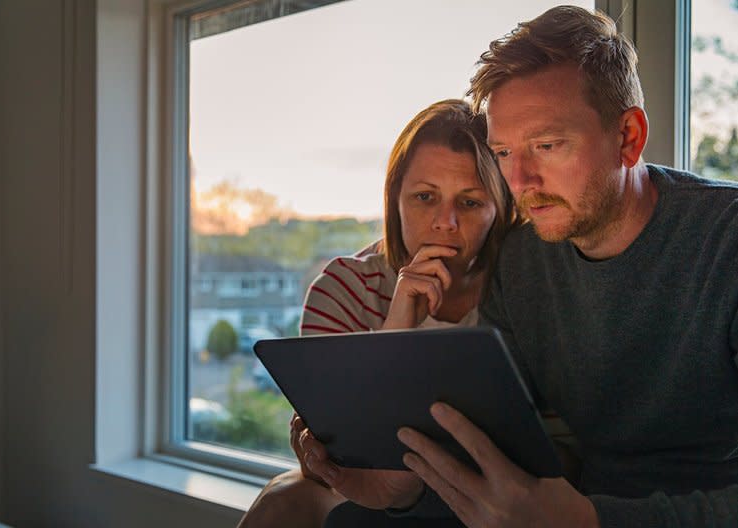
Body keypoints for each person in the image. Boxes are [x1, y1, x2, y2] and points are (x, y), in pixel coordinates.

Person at [311, 5, 738, 528]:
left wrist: (587, 523)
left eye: (546, 146)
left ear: (628, 136)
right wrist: (397, 494)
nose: (521, 181)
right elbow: (491, 440)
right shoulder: (521, 262)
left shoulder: (726, 243)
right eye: (505, 152)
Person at [235, 99, 520, 528]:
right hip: (382, 497)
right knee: (285, 496)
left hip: (499, 499)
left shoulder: (526, 285)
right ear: (396, 200)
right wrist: (396, 329)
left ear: (499, 209)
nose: (445, 222)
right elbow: (334, 459)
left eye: (469, 202)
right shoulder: (344, 288)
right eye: (425, 197)